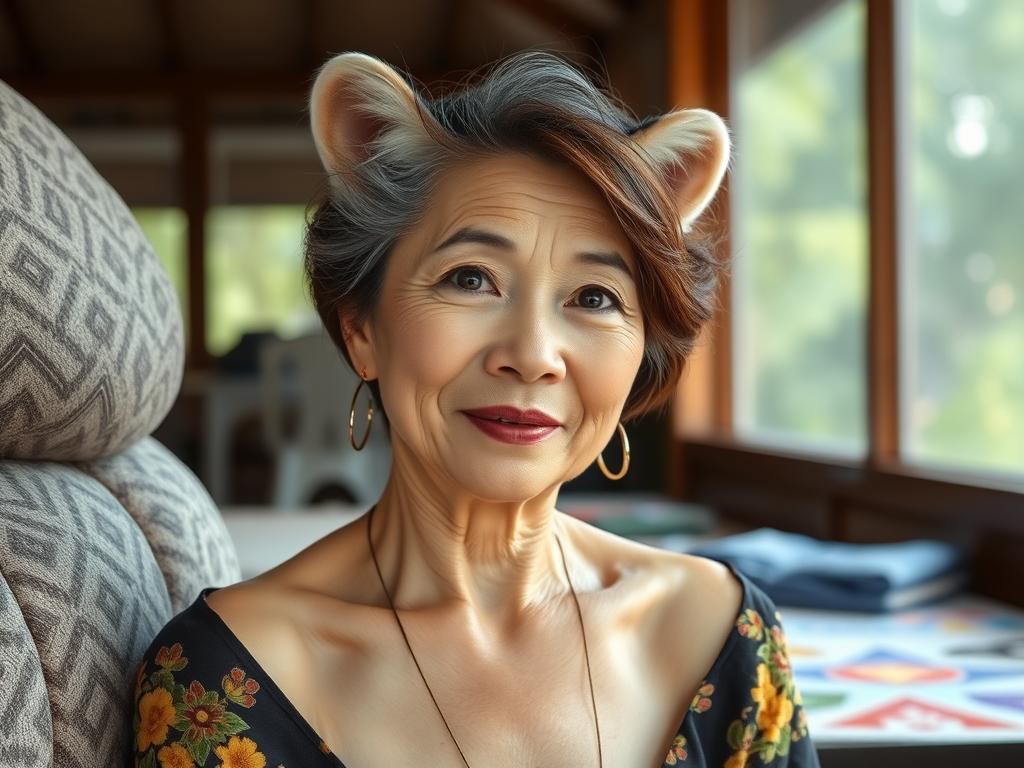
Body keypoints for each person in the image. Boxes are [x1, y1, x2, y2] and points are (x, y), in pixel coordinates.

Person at [130, 50, 820, 768]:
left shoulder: (720, 633)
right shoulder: (229, 678)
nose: (533, 354)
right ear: (361, 330)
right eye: (470, 278)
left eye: (594, 297)